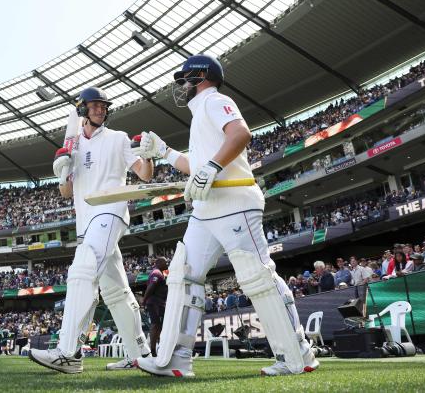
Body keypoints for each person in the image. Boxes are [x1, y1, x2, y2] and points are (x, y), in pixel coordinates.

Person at [134, 55, 318, 377]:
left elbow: (240, 134)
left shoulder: (214, 100)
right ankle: (175, 360)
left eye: (185, 79)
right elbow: (197, 167)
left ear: (201, 77)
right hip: (206, 209)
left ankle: (296, 356)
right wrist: (164, 152)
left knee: (256, 275)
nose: (182, 86)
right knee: (183, 275)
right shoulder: (199, 115)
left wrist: (212, 167)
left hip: (234, 202)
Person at [29, 87, 153, 373]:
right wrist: (62, 170)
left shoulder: (118, 138)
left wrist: (147, 156)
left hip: (110, 211)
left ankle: (68, 352)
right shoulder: (72, 147)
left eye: (103, 106)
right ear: (82, 109)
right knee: (116, 291)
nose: (101, 109)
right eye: (95, 105)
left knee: (82, 270)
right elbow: (65, 191)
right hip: (86, 221)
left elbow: (144, 174)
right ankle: (139, 354)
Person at [143, 257, 168, 357]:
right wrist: (144, 300)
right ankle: (152, 350)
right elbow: (151, 287)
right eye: (165, 262)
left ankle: (157, 349)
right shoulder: (156, 273)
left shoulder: (160, 273)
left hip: (159, 303)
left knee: (159, 326)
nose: (167, 264)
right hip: (155, 303)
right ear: (160, 263)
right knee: (155, 325)